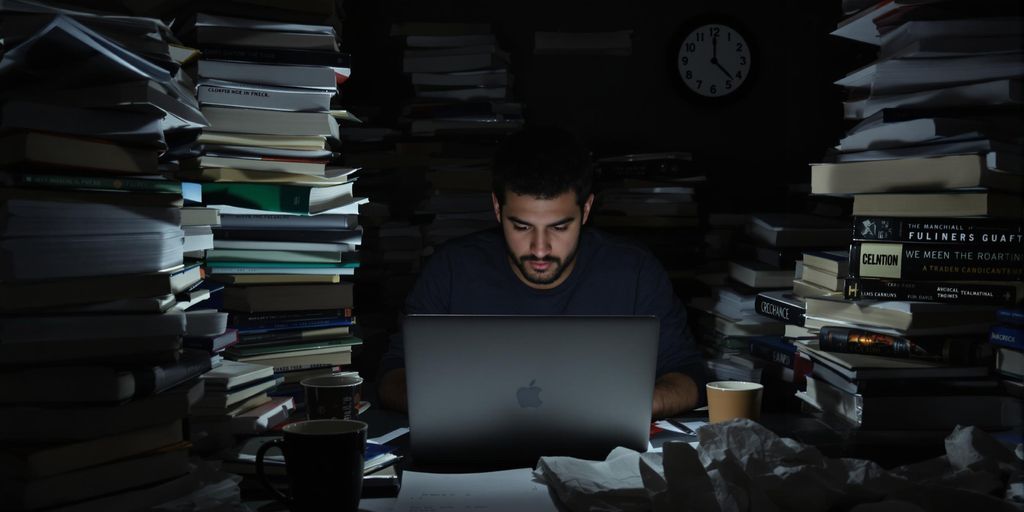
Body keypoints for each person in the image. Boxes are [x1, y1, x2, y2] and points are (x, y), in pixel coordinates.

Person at [377, 125, 706, 418]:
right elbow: (393, 374)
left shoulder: (634, 271)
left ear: (586, 209)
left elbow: (689, 374)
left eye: (559, 227)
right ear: (497, 208)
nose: (539, 248)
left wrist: (626, 407)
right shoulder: (451, 269)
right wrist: (460, 406)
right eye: (521, 226)